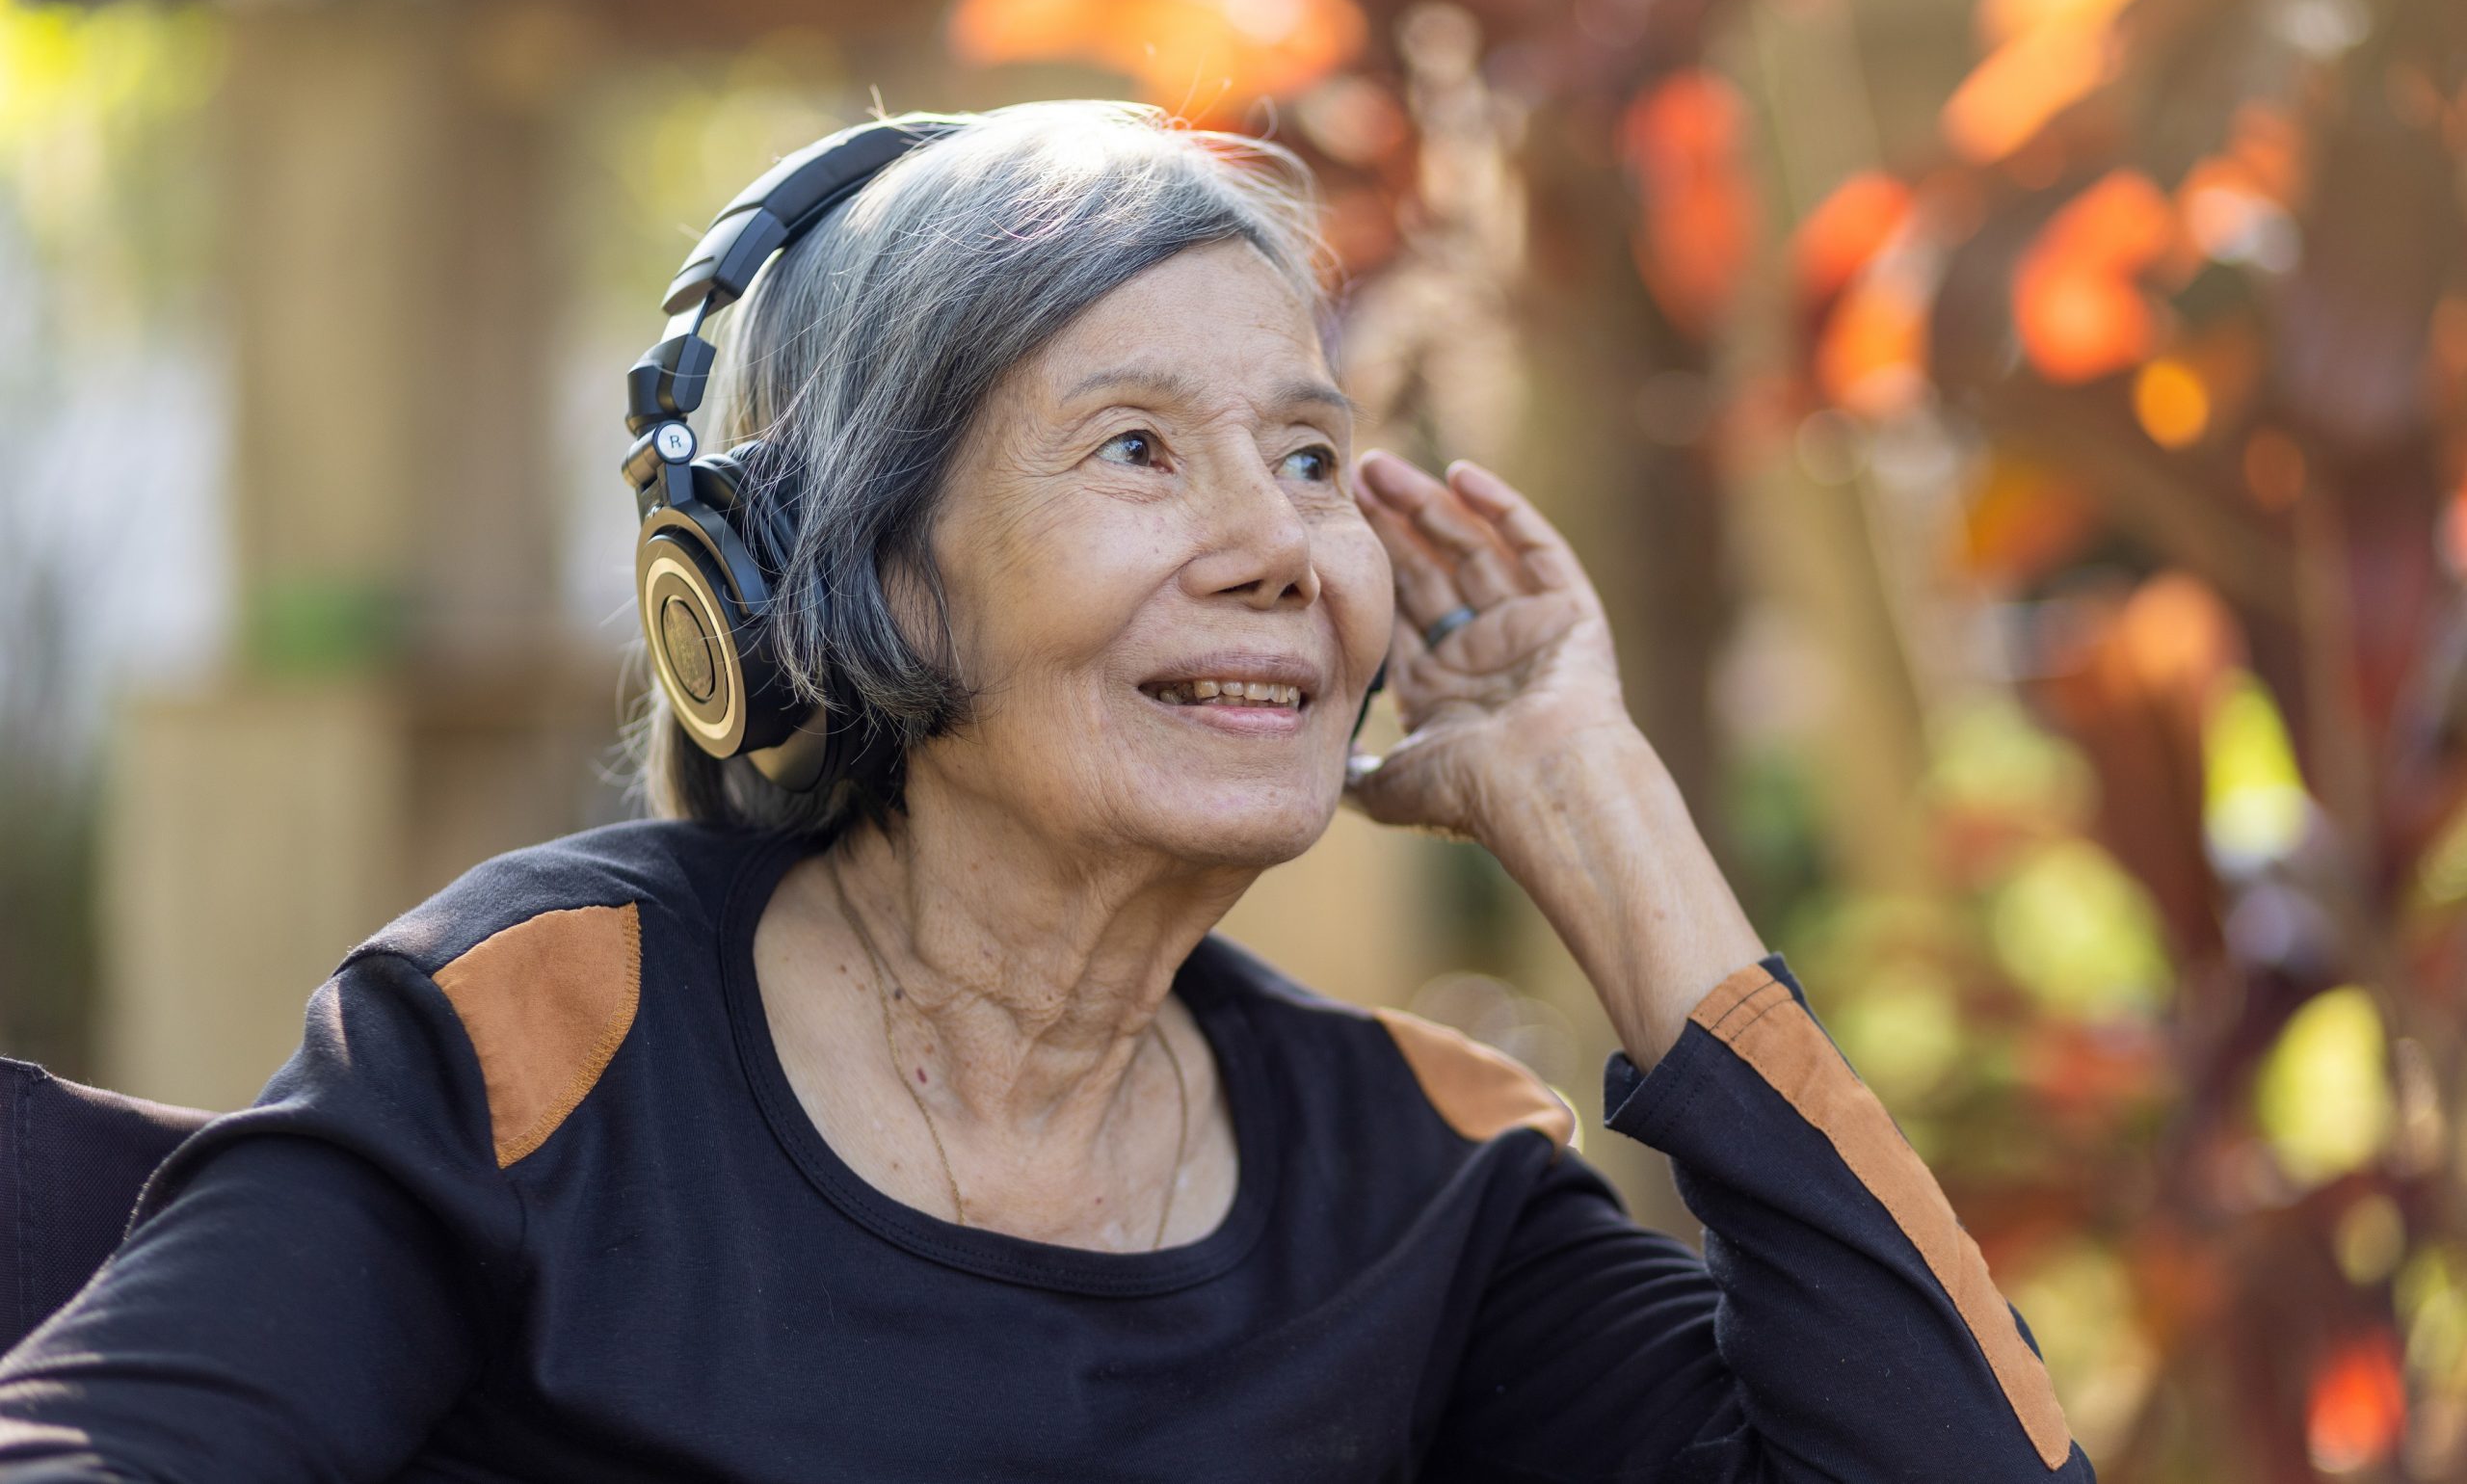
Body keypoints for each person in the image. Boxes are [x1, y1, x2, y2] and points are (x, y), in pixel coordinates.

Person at [0, 100, 2091, 1482]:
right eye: (1131, 447)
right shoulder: (550, 1028)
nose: (1281, 538)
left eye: (1302, 452)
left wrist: (1592, 795)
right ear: (861, 568)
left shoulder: (1420, 1176)